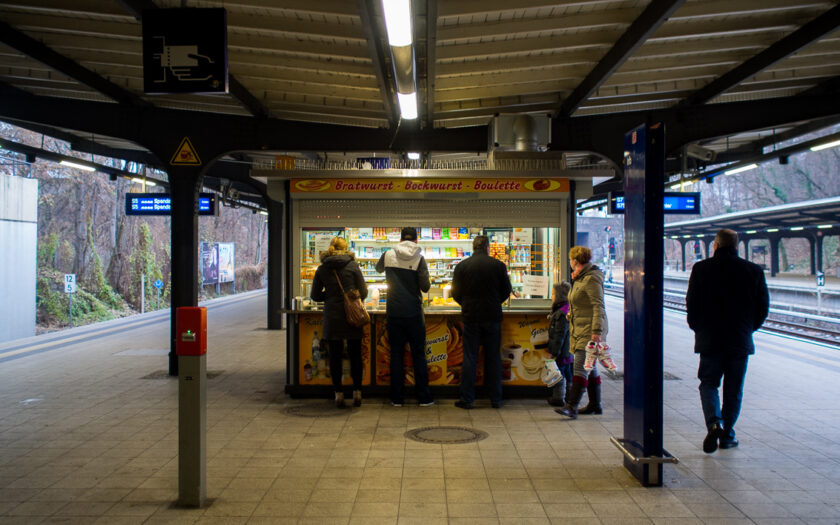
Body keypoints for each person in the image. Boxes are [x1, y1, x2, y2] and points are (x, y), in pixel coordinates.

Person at [686, 228, 769, 453]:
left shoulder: (701, 269)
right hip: (739, 341)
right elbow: (763, 308)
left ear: (715, 245)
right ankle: (727, 434)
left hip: (710, 340)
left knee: (708, 383)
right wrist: (747, 330)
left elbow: (691, 306)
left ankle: (714, 423)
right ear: (737, 245)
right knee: (734, 390)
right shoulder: (753, 270)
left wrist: (699, 329)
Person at [451, 235, 512, 409]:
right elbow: (507, 290)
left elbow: (455, 292)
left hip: (471, 317)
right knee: (493, 357)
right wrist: (494, 302)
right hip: (492, 316)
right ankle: (495, 399)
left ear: (473, 247)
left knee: (470, 357)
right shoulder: (498, 266)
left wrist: (466, 303)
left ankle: (467, 399)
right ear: (487, 247)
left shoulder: (462, 266)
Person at [376, 227, 434, 407]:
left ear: (400, 239)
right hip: (414, 314)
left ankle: (396, 398)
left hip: (394, 312)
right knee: (418, 355)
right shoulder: (419, 258)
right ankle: (424, 397)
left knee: (396, 354)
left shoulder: (388, 255)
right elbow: (425, 287)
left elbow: (378, 269)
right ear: (416, 240)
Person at [310, 237, 368, 408]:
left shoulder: (322, 268)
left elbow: (315, 295)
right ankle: (357, 392)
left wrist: (329, 297)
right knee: (355, 354)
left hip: (332, 316)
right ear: (346, 248)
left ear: (330, 248)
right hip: (353, 316)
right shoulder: (352, 266)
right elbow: (363, 291)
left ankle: (339, 395)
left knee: (335, 356)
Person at [556, 246, 608, 419]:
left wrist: (597, 331)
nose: (569, 263)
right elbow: (581, 302)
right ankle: (595, 405)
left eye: (570, 260)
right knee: (590, 367)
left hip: (590, 330)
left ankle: (571, 406)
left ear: (575, 261)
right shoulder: (580, 278)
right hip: (580, 326)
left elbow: (598, 305)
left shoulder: (591, 279)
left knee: (579, 366)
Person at [547, 281, 572, 407]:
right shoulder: (566, 309)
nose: (551, 296)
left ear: (559, 296)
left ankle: (558, 398)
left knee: (559, 374)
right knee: (568, 373)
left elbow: (559, 335)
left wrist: (553, 352)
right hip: (568, 351)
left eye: (552, 294)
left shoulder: (561, 314)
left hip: (562, 351)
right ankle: (570, 397)